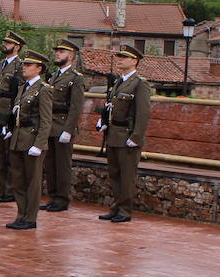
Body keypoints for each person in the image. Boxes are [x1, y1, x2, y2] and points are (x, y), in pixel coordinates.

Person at [98, 44, 151, 223]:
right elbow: (112, 107)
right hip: (114, 135)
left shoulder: (139, 84)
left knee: (127, 176)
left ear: (134, 61)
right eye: (119, 57)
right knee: (114, 174)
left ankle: (125, 211)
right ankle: (116, 207)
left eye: (124, 57)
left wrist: (136, 137)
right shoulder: (118, 82)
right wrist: (104, 121)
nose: (119, 59)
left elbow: (143, 113)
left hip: (127, 136)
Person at [5, 50, 54, 230]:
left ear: (39, 68)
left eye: (28, 65)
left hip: (32, 140)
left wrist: (39, 144)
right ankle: (21, 214)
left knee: (32, 182)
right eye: (24, 64)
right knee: (18, 180)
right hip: (18, 138)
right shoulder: (23, 88)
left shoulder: (43, 89)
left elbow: (46, 120)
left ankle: (30, 218)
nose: (24, 68)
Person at [43, 40, 86, 213]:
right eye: (57, 51)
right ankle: (53, 196)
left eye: (62, 52)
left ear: (71, 56)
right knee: (50, 164)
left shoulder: (76, 78)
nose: (58, 54)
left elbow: (76, 107)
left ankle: (62, 199)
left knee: (62, 165)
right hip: (50, 125)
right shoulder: (53, 76)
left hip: (62, 125)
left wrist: (68, 130)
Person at [0, 31, 26, 203]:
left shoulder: (20, 66)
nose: (4, 45)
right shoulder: (2, 63)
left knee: (10, 154)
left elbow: (19, 90)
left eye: (8, 43)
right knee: (0, 154)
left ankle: (11, 190)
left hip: (9, 111)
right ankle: (3, 189)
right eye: (5, 42)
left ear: (17, 47)